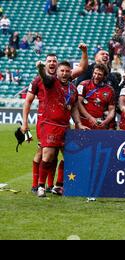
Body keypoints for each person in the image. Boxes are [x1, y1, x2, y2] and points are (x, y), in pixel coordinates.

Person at [21, 45, 88, 195]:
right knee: (45, 154)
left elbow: (74, 107)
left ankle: (56, 185)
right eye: (49, 61)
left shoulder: (72, 87)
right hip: (47, 123)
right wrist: (40, 68)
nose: (64, 73)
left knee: (66, 155)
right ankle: (39, 186)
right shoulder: (47, 81)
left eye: (66, 71)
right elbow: (30, 99)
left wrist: (78, 123)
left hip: (64, 125)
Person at [77, 64, 116, 130]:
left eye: (99, 74)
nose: (96, 76)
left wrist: (106, 122)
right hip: (83, 122)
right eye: (95, 73)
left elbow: (112, 109)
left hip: (99, 124)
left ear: (105, 76)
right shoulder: (83, 84)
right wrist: (90, 118)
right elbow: (78, 103)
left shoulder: (110, 90)